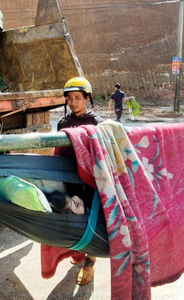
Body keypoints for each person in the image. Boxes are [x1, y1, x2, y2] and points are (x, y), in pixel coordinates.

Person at [55, 76, 103, 285]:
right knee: (73, 216)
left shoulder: (96, 123)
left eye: (77, 97)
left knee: (91, 218)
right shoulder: (63, 122)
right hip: (70, 178)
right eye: (69, 98)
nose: (73, 102)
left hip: (90, 181)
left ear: (87, 98)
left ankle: (90, 261)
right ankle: (79, 252)